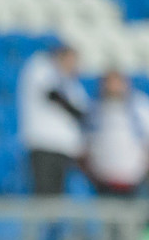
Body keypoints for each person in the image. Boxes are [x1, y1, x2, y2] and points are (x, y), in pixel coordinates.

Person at [17, 43, 88, 195]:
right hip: (44, 144)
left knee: (58, 195)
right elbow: (52, 95)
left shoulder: (72, 84)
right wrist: (74, 111)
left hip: (65, 149)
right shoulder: (41, 67)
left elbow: (85, 112)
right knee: (44, 193)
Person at [84, 70, 149, 196]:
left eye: (116, 82)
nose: (113, 87)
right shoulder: (95, 109)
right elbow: (86, 144)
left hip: (134, 178)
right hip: (103, 179)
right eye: (109, 83)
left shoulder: (139, 107)